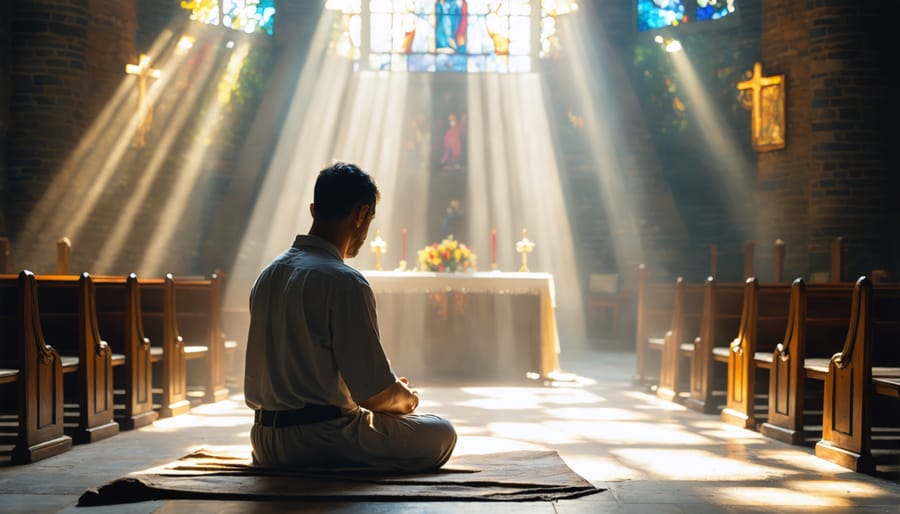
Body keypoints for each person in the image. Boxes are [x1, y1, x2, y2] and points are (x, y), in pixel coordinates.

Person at [244, 162, 457, 472]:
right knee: (441, 432)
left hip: (264, 442)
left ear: (314, 210)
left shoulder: (268, 275)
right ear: (360, 215)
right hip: (323, 440)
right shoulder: (344, 281)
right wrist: (407, 399)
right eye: (369, 219)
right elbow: (374, 394)